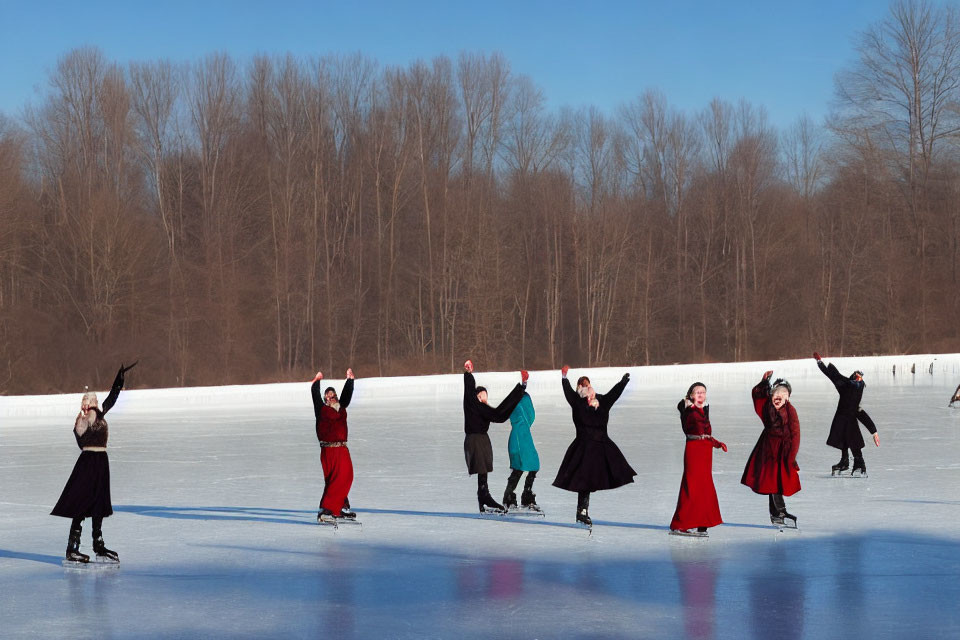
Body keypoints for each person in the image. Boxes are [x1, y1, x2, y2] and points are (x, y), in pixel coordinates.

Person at [52, 362, 136, 563]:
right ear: (86, 403)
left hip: (100, 461)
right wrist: (81, 422)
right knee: (82, 501)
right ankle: (72, 548)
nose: (96, 402)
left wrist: (119, 379)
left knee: (99, 501)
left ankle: (98, 545)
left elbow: (112, 399)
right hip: (88, 462)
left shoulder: (99, 414)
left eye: (96, 400)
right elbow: (81, 442)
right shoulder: (83, 420)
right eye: (93, 400)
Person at [553, 366, 636, 526]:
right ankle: (582, 512)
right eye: (582, 385)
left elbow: (614, 394)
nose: (586, 386)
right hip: (583, 447)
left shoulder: (602, 401)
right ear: (579, 388)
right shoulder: (577, 403)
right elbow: (568, 392)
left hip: (601, 445)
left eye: (588, 384)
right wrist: (564, 377)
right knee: (584, 481)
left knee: (609, 474)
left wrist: (623, 382)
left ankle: (583, 511)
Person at [462, 359, 528, 513]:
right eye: (483, 393)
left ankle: (484, 497)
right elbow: (468, 389)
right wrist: (468, 373)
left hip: (482, 439)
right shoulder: (471, 403)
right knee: (481, 468)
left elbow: (500, 413)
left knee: (483, 469)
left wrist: (522, 387)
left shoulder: (485, 409)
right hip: (474, 439)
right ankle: (484, 497)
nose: (485, 396)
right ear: (477, 395)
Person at [740, 371, 801, 527]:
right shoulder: (766, 406)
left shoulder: (790, 410)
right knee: (772, 481)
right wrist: (764, 382)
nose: (780, 395)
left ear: (788, 397)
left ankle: (778, 512)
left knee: (778, 481)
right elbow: (756, 395)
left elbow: (795, 434)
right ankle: (778, 512)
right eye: (777, 392)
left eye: (784, 393)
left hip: (783, 450)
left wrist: (791, 456)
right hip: (767, 449)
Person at [669, 382, 726, 536]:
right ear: (691, 395)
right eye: (697, 392)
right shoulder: (689, 410)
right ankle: (680, 524)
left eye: (703, 392)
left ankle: (702, 522)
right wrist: (687, 404)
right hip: (694, 451)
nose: (701, 394)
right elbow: (688, 423)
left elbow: (705, 433)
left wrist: (716, 443)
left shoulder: (704, 409)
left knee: (704, 487)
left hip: (705, 452)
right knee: (691, 486)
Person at [814, 352, 880, 476]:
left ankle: (859, 463)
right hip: (841, 419)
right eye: (856, 376)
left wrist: (874, 431)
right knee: (844, 441)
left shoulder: (851, 392)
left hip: (847, 420)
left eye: (860, 377)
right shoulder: (845, 385)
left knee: (852, 440)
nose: (858, 378)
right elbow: (832, 375)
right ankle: (845, 462)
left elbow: (861, 414)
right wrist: (820, 363)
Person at [311, 368, 357, 523]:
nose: (330, 396)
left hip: (341, 448)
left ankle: (340, 507)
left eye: (332, 394)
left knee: (345, 477)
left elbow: (346, 397)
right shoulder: (322, 410)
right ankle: (326, 510)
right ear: (325, 398)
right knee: (338, 478)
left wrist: (350, 381)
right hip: (329, 450)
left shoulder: (341, 408)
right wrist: (316, 383)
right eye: (327, 395)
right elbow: (315, 397)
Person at [502, 390, 540, 512]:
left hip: (525, 436)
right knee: (518, 467)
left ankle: (526, 495)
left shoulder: (523, 402)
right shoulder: (517, 403)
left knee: (533, 465)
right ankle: (509, 497)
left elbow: (531, 415)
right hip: (518, 437)